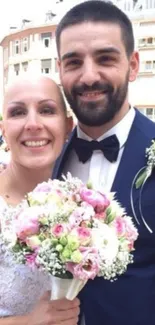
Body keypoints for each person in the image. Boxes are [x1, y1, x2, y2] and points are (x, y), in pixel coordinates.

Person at [52, 1, 155, 325]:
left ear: (133, 65)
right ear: (59, 70)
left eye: (105, 59)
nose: (89, 76)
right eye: (73, 62)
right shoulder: (49, 156)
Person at [0, 75, 80, 325]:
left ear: (68, 126)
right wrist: (25, 322)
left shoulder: (83, 204)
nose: (33, 124)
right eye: (18, 112)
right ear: (3, 129)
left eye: (46, 110)